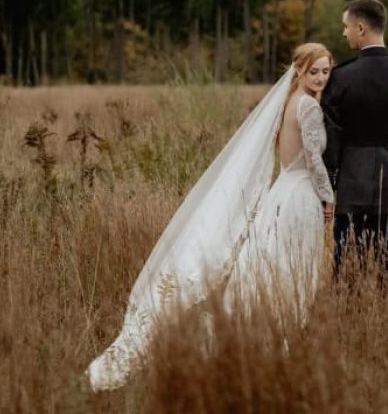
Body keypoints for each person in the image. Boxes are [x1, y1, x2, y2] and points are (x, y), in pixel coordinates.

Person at [86, 43, 335, 392]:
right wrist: (329, 197)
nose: (321, 77)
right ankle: (274, 345)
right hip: (300, 196)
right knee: (290, 269)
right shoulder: (308, 106)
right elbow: (313, 160)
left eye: (326, 71)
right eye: (315, 71)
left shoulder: (286, 101)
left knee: (270, 266)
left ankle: (259, 341)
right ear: (298, 70)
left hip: (283, 192)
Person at [321, 0, 388, 276]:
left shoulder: (340, 78)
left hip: (352, 189)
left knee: (346, 274)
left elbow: (331, 141)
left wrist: (330, 186)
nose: (343, 33)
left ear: (360, 28)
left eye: (345, 26)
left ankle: (348, 319)